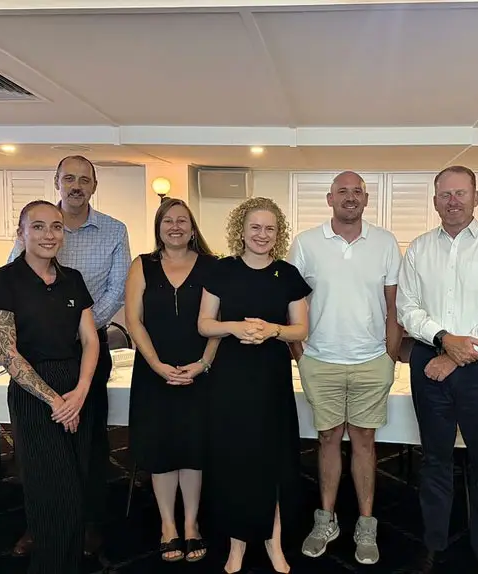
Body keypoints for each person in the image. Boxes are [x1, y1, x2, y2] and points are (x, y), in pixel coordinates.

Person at [397, 165, 478, 574]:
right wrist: (442, 339)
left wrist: (453, 354)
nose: (453, 201)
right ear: (434, 201)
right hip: (428, 361)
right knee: (434, 461)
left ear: (475, 197)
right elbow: (407, 308)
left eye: (460, 193)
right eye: (445, 194)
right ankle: (433, 544)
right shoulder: (418, 248)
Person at [8, 155, 130, 557]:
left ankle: (88, 521)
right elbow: (14, 277)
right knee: (37, 445)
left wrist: (84, 325)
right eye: (69, 179)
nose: (76, 185)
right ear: (57, 182)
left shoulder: (114, 230)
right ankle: (39, 523)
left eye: (84, 179)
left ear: (94, 186)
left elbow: (118, 288)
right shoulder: (37, 223)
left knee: (89, 442)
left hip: (89, 346)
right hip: (39, 350)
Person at [287, 171, 402, 565]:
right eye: (342, 192)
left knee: (366, 442)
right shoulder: (305, 243)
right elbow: (293, 302)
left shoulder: (385, 243)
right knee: (328, 440)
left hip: (372, 360)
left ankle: (366, 524)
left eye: (357, 192)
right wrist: (300, 353)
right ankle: (326, 520)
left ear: (366, 199)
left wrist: (389, 355)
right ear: (329, 198)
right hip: (320, 360)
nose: (349, 198)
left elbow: (393, 307)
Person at [0, 200, 100, 574]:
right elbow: (6, 350)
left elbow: (91, 340)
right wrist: (55, 400)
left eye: (56, 227)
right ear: (21, 232)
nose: (49, 234)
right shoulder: (4, 279)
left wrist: (80, 392)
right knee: (51, 491)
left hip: (76, 390)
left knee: (77, 484)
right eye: (38, 227)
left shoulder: (74, 279)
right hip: (35, 393)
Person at [197, 197, 311, 574]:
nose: (262, 235)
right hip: (230, 379)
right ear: (241, 231)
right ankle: (237, 545)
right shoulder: (221, 271)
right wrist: (235, 327)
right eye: (255, 227)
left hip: (270, 378)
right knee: (234, 461)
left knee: (272, 461)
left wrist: (272, 330)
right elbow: (204, 324)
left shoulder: (288, 274)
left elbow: (301, 329)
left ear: (278, 235)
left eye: (270, 229)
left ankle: (273, 542)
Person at [124, 198, 218, 563]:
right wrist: (157, 365)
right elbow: (134, 320)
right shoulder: (142, 266)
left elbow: (219, 320)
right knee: (162, 451)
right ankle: (168, 526)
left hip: (200, 372)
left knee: (193, 449)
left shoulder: (212, 266)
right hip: (154, 373)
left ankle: (192, 524)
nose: (175, 226)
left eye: (182, 221)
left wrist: (203, 364)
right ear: (159, 228)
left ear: (193, 229)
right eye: (168, 221)